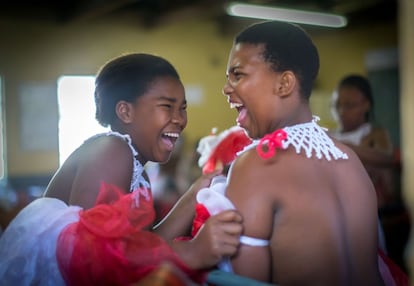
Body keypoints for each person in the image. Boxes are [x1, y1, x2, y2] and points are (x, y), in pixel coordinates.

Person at [0, 53, 243, 285]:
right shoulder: (112, 150)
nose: (180, 119)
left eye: (182, 108)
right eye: (167, 107)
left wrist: (200, 187)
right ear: (125, 111)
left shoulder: (138, 170)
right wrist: (191, 251)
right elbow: (91, 256)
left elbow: (147, 245)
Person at [216, 20, 386, 285]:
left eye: (238, 75)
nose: (227, 88)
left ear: (284, 84)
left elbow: (246, 282)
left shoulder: (257, 164)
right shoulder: (349, 160)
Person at [329, 74, 396, 208]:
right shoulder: (331, 135)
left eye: (349, 105)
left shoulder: (373, 134)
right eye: (337, 105)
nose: (341, 112)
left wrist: (343, 146)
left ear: (366, 105)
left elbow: (388, 158)